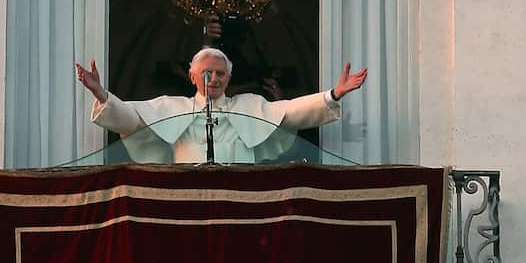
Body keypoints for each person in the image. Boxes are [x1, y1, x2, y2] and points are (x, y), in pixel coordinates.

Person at [74, 47, 368, 165]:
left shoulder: (249, 104)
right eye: (206, 73)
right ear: (192, 76)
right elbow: (132, 119)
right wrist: (101, 93)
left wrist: (333, 94)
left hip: (244, 198)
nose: (213, 79)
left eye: (220, 73)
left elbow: (290, 112)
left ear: (229, 77)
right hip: (186, 200)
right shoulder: (171, 106)